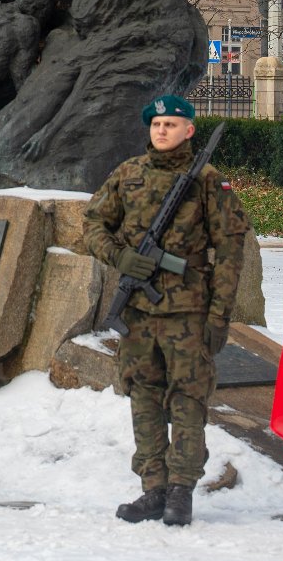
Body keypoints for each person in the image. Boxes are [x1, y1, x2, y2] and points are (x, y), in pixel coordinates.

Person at [84, 95, 247, 527]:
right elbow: (93, 224)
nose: (162, 131)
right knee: (143, 397)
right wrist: (119, 258)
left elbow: (231, 251)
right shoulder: (128, 174)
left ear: (189, 131)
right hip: (137, 313)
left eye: (171, 124)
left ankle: (181, 491)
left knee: (188, 401)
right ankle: (153, 488)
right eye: (157, 124)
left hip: (188, 313)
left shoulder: (208, 181)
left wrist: (219, 316)